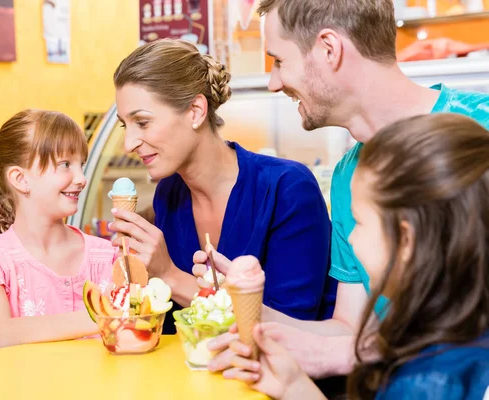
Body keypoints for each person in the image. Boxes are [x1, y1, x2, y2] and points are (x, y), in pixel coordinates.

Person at [200, 0, 489, 377]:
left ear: (329, 49)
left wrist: (363, 355)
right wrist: (244, 303)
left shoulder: (479, 128)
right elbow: (352, 330)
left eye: (279, 61)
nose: (273, 82)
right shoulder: (346, 175)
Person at [226, 114, 489, 399]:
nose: (351, 238)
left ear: (406, 239)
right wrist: (294, 387)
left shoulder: (423, 382)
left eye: (359, 222)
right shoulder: (461, 335)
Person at [110, 38, 336, 334]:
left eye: (143, 122)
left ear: (195, 111)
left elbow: (291, 327)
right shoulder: (169, 193)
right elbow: (178, 328)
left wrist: (169, 276)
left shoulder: (287, 189)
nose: (129, 144)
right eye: (125, 125)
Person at [0, 109, 116, 350]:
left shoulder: (107, 255)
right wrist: (102, 316)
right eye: (66, 164)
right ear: (20, 179)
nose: (81, 178)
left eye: (82, 164)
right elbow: (0, 335)